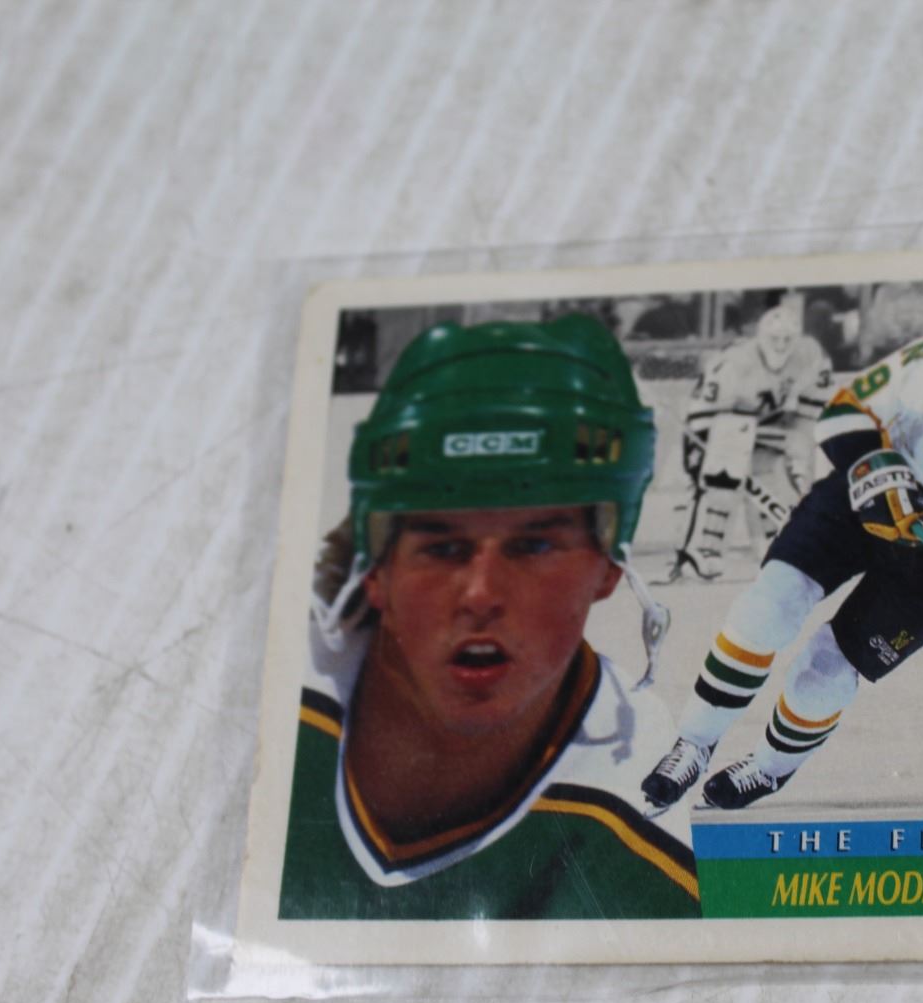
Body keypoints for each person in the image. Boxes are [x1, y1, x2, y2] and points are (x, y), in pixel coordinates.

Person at [278, 316, 701, 920]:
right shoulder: (277, 682)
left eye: (534, 546)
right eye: (442, 546)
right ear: (376, 571)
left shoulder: (629, 785)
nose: (480, 594)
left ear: (609, 567)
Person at [642, 293, 923, 810]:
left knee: (829, 669)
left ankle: (769, 768)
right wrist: (879, 472)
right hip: (865, 496)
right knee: (767, 608)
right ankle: (695, 742)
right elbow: (846, 412)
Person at [663, 305, 833, 582]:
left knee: (774, 478)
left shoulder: (810, 354)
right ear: (761, 337)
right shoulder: (735, 361)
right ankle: (706, 549)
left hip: (769, 419)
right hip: (719, 421)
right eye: (775, 338)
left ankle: (772, 544)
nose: (781, 345)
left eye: (787, 339)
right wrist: (708, 452)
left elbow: (812, 407)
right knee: (722, 480)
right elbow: (704, 409)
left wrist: (798, 445)